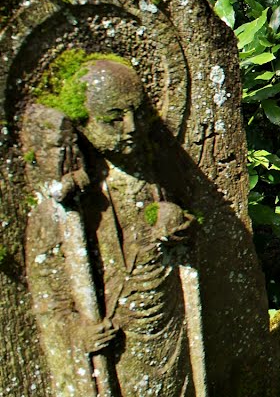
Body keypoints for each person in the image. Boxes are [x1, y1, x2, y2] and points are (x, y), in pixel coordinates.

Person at [24, 59, 196, 397]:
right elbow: (48, 303)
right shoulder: (63, 211)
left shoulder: (153, 178)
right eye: (114, 118)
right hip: (116, 337)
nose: (130, 126)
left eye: (136, 113)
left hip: (167, 327)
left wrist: (177, 221)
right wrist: (79, 335)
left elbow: (190, 231)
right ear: (83, 123)